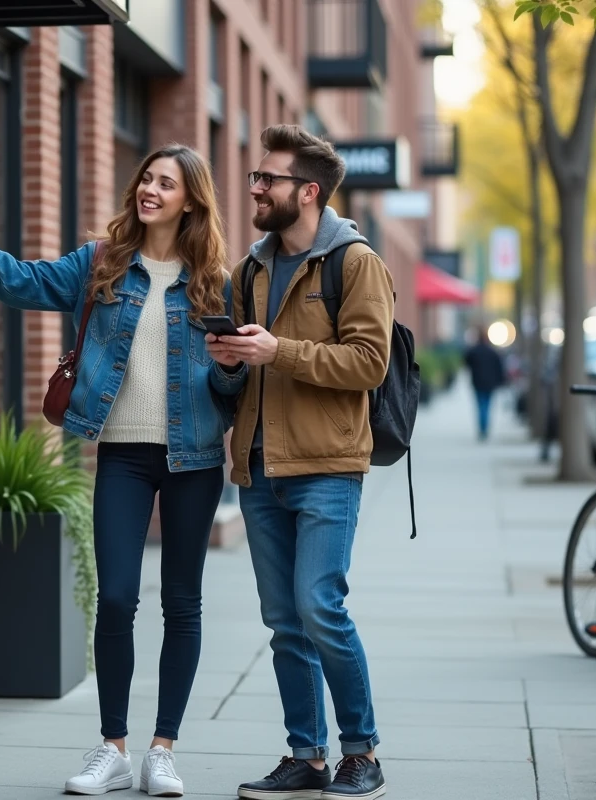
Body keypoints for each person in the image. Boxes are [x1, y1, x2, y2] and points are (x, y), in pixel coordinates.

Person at [0, 144, 247, 798]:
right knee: (115, 598)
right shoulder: (101, 264)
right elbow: (20, 281)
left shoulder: (217, 283)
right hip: (123, 455)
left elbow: (234, 386)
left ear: (191, 199)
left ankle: (161, 750)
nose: (149, 189)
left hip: (194, 460)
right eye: (146, 178)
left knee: (182, 603)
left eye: (165, 183)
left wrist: (230, 366)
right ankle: (112, 746)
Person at [206, 125, 393, 800]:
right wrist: (227, 366)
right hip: (257, 469)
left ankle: (362, 752)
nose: (255, 188)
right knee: (285, 623)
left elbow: (370, 364)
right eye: (256, 178)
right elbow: (234, 383)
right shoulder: (247, 271)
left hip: (326, 467)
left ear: (308, 192)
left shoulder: (355, 262)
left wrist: (276, 351)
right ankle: (306, 758)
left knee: (320, 608)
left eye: (268, 179)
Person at [463, 326, 507, 441]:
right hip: (490, 383)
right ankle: (485, 428)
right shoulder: (493, 352)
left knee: (480, 405)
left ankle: (482, 428)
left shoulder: (474, 351)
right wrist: (500, 381)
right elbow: (499, 368)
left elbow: (466, 362)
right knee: (487, 405)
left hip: (477, 382)